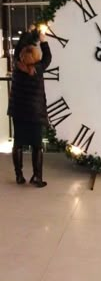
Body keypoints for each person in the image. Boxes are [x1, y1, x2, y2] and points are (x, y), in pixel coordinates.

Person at [8, 28, 52, 187]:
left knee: (18, 144)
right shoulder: (38, 70)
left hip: (18, 113)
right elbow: (48, 57)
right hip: (34, 114)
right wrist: (43, 40)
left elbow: (19, 50)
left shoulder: (16, 68)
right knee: (37, 145)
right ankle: (37, 177)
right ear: (36, 57)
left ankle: (19, 176)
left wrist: (26, 36)